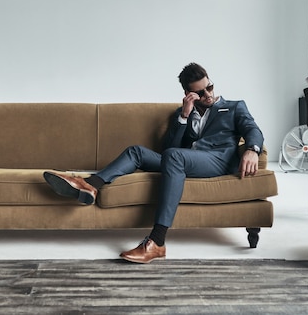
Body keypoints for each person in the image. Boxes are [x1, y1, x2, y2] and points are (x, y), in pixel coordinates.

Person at [43, 62, 264, 263]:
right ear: (189, 94)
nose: (208, 95)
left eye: (210, 87)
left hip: (217, 160)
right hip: (182, 162)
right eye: (200, 92)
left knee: (175, 156)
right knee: (137, 152)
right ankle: (91, 184)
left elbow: (252, 129)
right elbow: (169, 148)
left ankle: (157, 241)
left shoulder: (234, 107)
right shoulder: (182, 113)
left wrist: (252, 150)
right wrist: (184, 117)